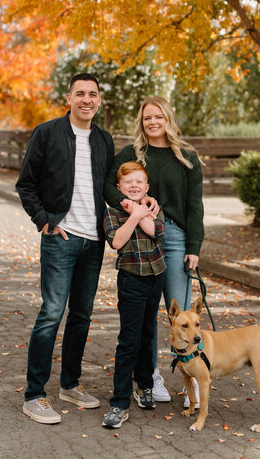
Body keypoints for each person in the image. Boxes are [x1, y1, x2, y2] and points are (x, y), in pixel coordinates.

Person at [16, 73, 114, 424]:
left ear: (98, 100)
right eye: (80, 94)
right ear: (69, 98)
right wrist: (44, 221)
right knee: (52, 313)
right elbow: (26, 184)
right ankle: (34, 395)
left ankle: (70, 385)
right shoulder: (47, 133)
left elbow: (110, 187)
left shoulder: (103, 139)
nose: (87, 100)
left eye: (93, 94)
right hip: (61, 237)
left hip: (94, 240)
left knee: (82, 315)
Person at [104, 96, 204, 407]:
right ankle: (151, 378)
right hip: (140, 238)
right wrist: (132, 206)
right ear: (141, 121)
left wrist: (194, 247)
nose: (153, 122)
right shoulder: (131, 153)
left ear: (168, 119)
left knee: (182, 316)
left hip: (174, 237)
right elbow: (107, 185)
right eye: (147, 117)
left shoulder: (187, 156)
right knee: (146, 317)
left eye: (158, 116)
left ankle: (191, 381)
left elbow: (194, 205)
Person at [102, 161, 166, 428]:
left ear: (147, 187)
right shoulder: (112, 213)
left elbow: (155, 231)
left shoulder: (154, 208)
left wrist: (140, 212)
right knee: (129, 340)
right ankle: (119, 402)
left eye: (139, 182)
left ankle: (145, 385)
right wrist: (134, 215)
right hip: (131, 280)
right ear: (120, 187)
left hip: (156, 277)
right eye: (129, 182)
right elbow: (117, 241)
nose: (134, 186)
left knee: (148, 334)